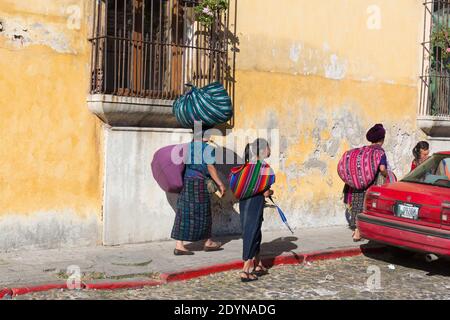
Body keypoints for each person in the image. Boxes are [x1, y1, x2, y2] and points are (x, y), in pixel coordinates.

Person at [171, 129, 226, 255]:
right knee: (204, 212)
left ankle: (179, 245)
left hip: (187, 182)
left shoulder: (188, 147)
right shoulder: (207, 148)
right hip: (200, 183)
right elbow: (210, 167)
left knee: (184, 212)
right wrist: (220, 184)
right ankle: (208, 242)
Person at [239, 138, 274, 282]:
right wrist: (270, 193)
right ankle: (245, 270)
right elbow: (265, 192)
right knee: (252, 232)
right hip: (255, 203)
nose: (270, 150)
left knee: (254, 231)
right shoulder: (263, 167)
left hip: (244, 202)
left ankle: (258, 264)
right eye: (269, 148)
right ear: (264, 150)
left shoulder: (247, 165)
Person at [350, 124, 388, 242]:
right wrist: (387, 174)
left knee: (357, 206)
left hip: (359, 182)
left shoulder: (364, 150)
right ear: (382, 139)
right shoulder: (380, 152)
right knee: (369, 207)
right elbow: (382, 168)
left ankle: (356, 231)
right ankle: (361, 232)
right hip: (372, 184)